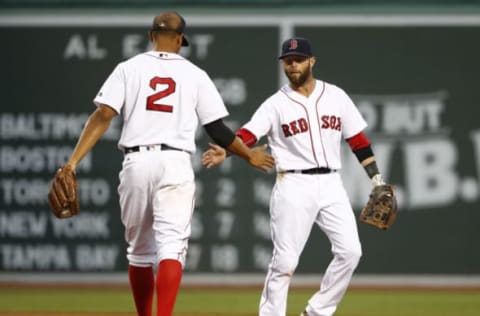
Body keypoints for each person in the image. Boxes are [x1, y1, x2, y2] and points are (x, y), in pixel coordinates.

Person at [60, 11, 274, 316]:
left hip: (135, 161)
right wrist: (249, 154)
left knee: (139, 252)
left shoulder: (128, 68)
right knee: (171, 247)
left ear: (150, 36)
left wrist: (72, 163)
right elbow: (217, 130)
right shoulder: (195, 74)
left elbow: (103, 116)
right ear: (179, 40)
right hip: (174, 162)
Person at [202, 37, 387, 316]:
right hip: (293, 184)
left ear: (311, 61)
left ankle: (317, 312)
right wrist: (228, 152)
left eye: (298, 59)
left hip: (331, 184)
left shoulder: (335, 95)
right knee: (285, 262)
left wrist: (377, 179)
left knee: (351, 252)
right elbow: (249, 134)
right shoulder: (276, 103)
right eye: (288, 61)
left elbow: (358, 140)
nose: (293, 65)